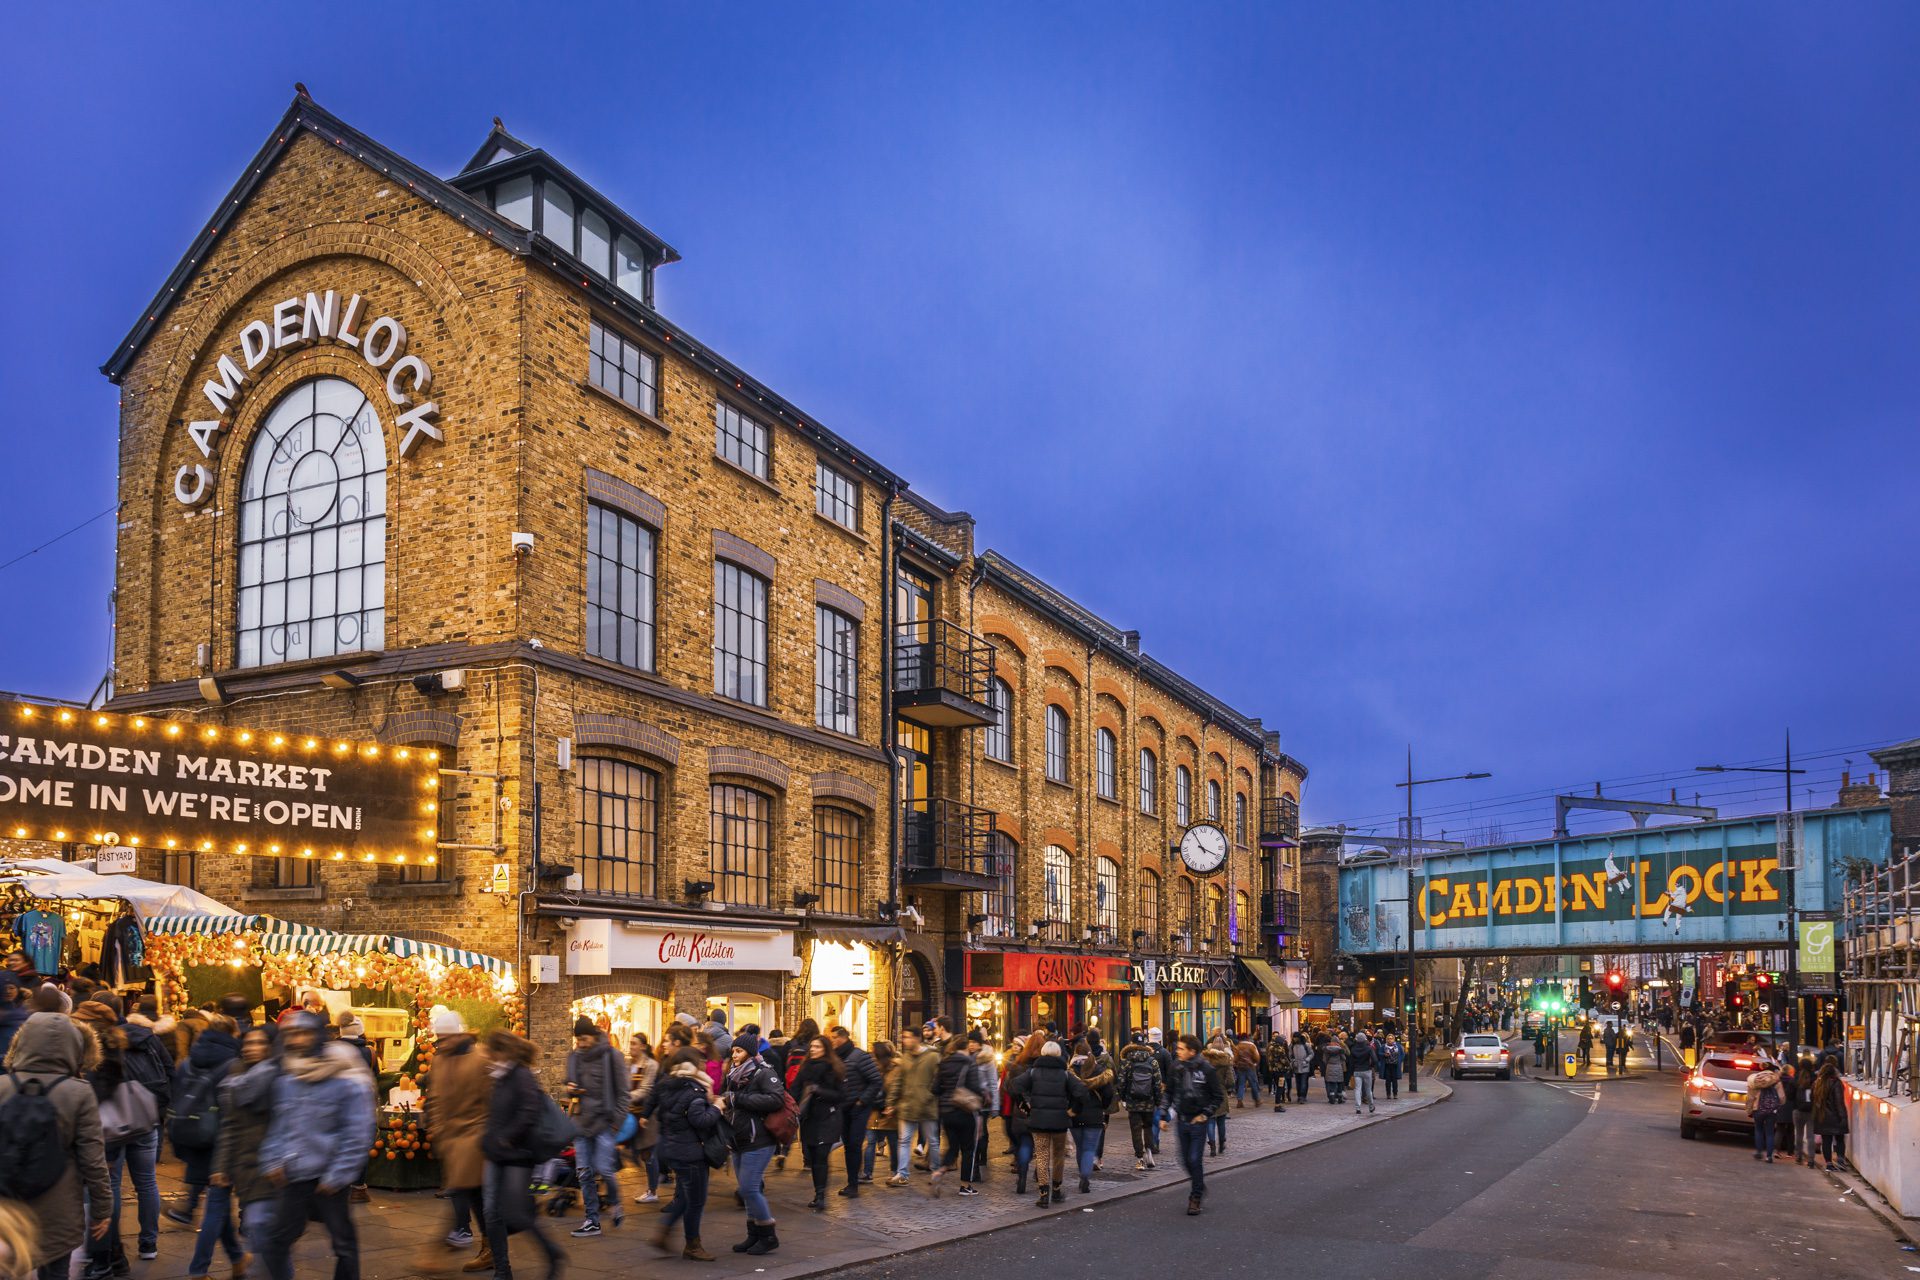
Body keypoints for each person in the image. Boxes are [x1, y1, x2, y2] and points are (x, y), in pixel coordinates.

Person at [256, 1010, 376, 1280]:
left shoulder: (344, 1081)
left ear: (317, 1036)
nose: (298, 1040)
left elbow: (357, 1131)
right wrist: (273, 1161)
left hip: (328, 1180)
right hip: (294, 1176)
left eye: (304, 1033)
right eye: (292, 1034)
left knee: (344, 1245)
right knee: (275, 1241)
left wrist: (338, 1175)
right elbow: (279, 1126)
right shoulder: (287, 1079)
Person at [0, 1011, 112, 1280]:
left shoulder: (2, 1085)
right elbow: (93, 1159)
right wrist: (102, 1209)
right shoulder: (79, 1091)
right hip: (58, 1208)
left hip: (7, 1208)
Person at [478, 1031, 563, 1280]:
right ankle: (502, 1270)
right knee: (491, 1212)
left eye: (490, 1052)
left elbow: (530, 1109)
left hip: (518, 1155)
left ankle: (552, 1252)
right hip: (496, 1153)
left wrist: (507, 1135)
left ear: (500, 1051)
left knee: (516, 1214)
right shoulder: (500, 1075)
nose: (487, 1056)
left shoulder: (520, 1074)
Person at [423, 1007, 490, 1262]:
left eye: (445, 1038)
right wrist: (438, 1128)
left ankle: (459, 1239)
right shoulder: (440, 1060)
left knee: (465, 1191)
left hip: (474, 1139)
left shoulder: (479, 1059)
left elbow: (489, 1101)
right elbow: (437, 1098)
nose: (442, 1043)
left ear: (457, 1036)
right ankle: (484, 1242)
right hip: (453, 1139)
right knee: (470, 1194)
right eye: (439, 1039)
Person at [211, 1027, 278, 1280]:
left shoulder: (280, 1077)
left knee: (260, 1228)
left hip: (274, 1167)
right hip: (246, 1166)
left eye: (259, 1042)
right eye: (248, 1042)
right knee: (255, 1228)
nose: (251, 1047)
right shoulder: (236, 1075)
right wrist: (221, 1166)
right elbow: (230, 1124)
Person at [163, 1012, 241, 1228]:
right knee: (217, 1172)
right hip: (218, 1123)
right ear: (233, 1032)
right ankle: (212, 1219)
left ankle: (191, 1209)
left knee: (199, 1165)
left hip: (191, 1119)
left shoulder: (192, 1057)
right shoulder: (232, 1059)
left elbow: (178, 1086)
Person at [645, 1046, 723, 1260]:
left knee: (688, 1196)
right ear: (694, 1065)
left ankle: (664, 1231)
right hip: (691, 1152)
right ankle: (692, 1245)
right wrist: (717, 1106)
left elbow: (661, 1114)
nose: (704, 1064)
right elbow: (701, 1120)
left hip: (672, 1148)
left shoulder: (667, 1085)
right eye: (701, 1061)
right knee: (696, 1200)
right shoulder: (694, 1090)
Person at [719, 1038, 786, 1256]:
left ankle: (768, 1235)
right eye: (733, 1051)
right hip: (738, 1139)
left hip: (759, 1140)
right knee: (749, 1190)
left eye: (739, 1051)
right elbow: (728, 1098)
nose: (734, 1055)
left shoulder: (764, 1072)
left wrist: (737, 1099)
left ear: (749, 1052)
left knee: (748, 1188)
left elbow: (776, 1099)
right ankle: (754, 1234)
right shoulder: (733, 1073)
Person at [563, 1016, 627, 1238]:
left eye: (584, 1038)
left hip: (603, 1123)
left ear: (594, 1035)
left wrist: (615, 1125)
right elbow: (569, 1087)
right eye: (577, 1039)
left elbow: (623, 1094)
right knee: (583, 1174)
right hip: (581, 1124)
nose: (580, 1043)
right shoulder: (574, 1057)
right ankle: (592, 1219)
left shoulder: (612, 1056)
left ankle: (616, 1203)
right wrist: (571, 1089)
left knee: (605, 1169)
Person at [1009, 1040, 1085, 1207]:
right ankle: (1057, 1190)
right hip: (1060, 1121)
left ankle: (1044, 1194)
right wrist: (1073, 1110)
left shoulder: (1033, 1072)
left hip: (1039, 1120)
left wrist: (1024, 1105)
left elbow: (1013, 1086)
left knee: (1042, 1156)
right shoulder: (1065, 1073)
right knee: (1058, 1156)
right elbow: (1081, 1091)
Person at [1167, 1032, 1225, 1216]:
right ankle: (1199, 1184)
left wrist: (1205, 1114)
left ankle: (1195, 1196)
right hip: (1181, 1120)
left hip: (1197, 1121)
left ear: (1192, 1051)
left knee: (1194, 1159)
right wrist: (1162, 1115)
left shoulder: (1206, 1069)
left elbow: (1217, 1096)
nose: (1177, 1052)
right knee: (1184, 1159)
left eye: (1181, 1049)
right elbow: (1169, 1092)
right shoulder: (1176, 1067)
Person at [790, 1035, 844, 1209]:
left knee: (821, 1156)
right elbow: (795, 1090)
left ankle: (821, 1195)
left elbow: (840, 1095)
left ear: (826, 1049)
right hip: (808, 1118)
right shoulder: (805, 1068)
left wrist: (818, 1090)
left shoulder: (833, 1069)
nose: (813, 1049)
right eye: (812, 1046)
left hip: (827, 1118)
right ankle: (817, 1192)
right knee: (813, 1157)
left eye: (818, 1047)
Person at [828, 1024, 882, 1198]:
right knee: (849, 1146)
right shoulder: (835, 1058)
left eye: (834, 1038)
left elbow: (875, 1080)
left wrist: (861, 1101)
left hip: (858, 1109)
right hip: (843, 1108)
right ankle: (852, 1182)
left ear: (843, 1038)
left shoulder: (859, 1056)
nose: (832, 1041)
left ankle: (853, 1185)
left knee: (854, 1144)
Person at [884, 1023, 940, 1188]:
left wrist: (929, 1096)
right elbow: (898, 1081)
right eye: (904, 1037)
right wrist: (891, 1102)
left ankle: (936, 1171)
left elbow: (938, 1081)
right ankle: (902, 1174)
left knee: (933, 1141)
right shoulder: (906, 1058)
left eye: (907, 1037)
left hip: (927, 1106)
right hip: (907, 1106)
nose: (905, 1040)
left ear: (917, 1038)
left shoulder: (932, 1057)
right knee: (904, 1140)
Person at [1067, 1042, 1113, 1195]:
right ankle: (1085, 1177)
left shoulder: (1070, 1072)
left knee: (1080, 1148)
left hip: (1075, 1115)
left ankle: (1083, 1173)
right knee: (1089, 1148)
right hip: (1094, 1116)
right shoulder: (1100, 1071)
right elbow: (1108, 1093)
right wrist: (1103, 1107)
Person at [1117, 1031, 1163, 1170]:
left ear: (1131, 1044)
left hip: (1133, 1101)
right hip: (1149, 1101)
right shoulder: (1152, 1060)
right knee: (1148, 1127)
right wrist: (1158, 1100)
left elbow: (1121, 1082)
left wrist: (1124, 1098)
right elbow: (1157, 1082)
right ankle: (1149, 1150)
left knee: (1135, 1129)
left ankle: (1140, 1158)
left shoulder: (1127, 1061)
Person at [863, 1040, 899, 1184]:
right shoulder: (871, 1068)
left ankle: (895, 1171)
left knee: (893, 1142)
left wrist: (893, 1106)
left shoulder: (896, 1069)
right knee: (870, 1141)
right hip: (873, 1111)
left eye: (874, 1055)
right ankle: (867, 1173)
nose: (872, 1058)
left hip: (890, 1113)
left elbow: (898, 1089)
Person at [1811, 1058, 1849, 1172]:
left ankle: (1828, 1163)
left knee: (1826, 1140)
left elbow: (1814, 1100)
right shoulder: (1836, 1083)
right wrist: (1843, 1117)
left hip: (1822, 1116)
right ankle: (1841, 1159)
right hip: (1835, 1117)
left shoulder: (1817, 1083)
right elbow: (1839, 1102)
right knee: (1840, 1139)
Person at [1745, 1062, 1786, 1162]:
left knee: (1758, 1130)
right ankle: (1769, 1156)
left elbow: (1750, 1098)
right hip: (1772, 1111)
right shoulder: (1776, 1081)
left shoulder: (1755, 1081)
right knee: (1770, 1132)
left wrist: (1749, 1110)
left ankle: (1759, 1152)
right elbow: (1782, 1098)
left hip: (1758, 1109)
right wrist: (1778, 1105)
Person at [1200, 1037, 1233, 1154]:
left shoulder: (1205, 1060)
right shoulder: (1226, 1060)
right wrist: (1226, 1087)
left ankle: (1212, 1146)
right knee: (1221, 1121)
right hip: (1221, 1093)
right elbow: (1230, 1081)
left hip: (1208, 1094)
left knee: (1210, 1120)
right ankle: (1222, 1144)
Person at [1792, 1054, 1817, 1167]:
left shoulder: (1797, 1077)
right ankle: (1811, 1159)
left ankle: (1798, 1156)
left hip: (1798, 1109)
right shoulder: (1815, 1078)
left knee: (1799, 1133)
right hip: (1811, 1110)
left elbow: (1790, 1094)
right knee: (1810, 1135)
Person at [1348, 1030, 1377, 1115]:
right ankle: (1371, 1106)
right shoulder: (1369, 1048)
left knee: (1357, 1089)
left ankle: (1358, 1108)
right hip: (1367, 1070)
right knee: (1368, 1089)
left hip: (1357, 1070)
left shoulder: (1353, 1049)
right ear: (1365, 1039)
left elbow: (1350, 1062)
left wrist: (1351, 1072)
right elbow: (1375, 1059)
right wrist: (1370, 1066)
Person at [1317, 1034, 1347, 1106]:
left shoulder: (1327, 1049)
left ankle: (1332, 1098)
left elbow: (1324, 1060)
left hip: (1329, 1067)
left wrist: (1329, 1063)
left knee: (1331, 1083)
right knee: (1339, 1083)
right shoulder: (1340, 1049)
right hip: (1338, 1067)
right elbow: (1344, 1058)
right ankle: (1339, 1098)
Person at [1230, 1034, 1260, 1107]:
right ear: (1247, 1038)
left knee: (1241, 1084)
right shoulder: (1252, 1046)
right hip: (1250, 1067)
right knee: (1253, 1084)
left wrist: (1236, 1064)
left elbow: (1235, 1058)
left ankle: (1239, 1100)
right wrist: (1255, 1063)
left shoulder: (1238, 1047)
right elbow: (1257, 1057)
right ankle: (1256, 1100)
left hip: (1241, 1067)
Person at [1262, 1032, 1290, 1109]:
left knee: (1277, 1086)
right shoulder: (1280, 1049)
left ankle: (1278, 1104)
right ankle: (1278, 1105)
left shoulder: (1270, 1047)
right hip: (1280, 1071)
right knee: (1280, 1087)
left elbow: (1268, 1058)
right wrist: (1288, 1066)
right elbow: (1284, 1060)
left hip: (1273, 1070)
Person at [1378, 1034, 1403, 1098]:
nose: (1390, 1040)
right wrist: (1384, 1055)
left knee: (1395, 1080)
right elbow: (1379, 1053)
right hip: (1387, 1065)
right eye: (1388, 1038)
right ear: (1386, 1039)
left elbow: (1402, 1054)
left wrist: (1399, 1060)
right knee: (1388, 1080)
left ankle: (1395, 1094)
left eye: (1391, 1038)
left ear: (1394, 1039)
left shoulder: (1398, 1046)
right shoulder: (1383, 1046)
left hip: (1395, 1066)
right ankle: (1388, 1094)